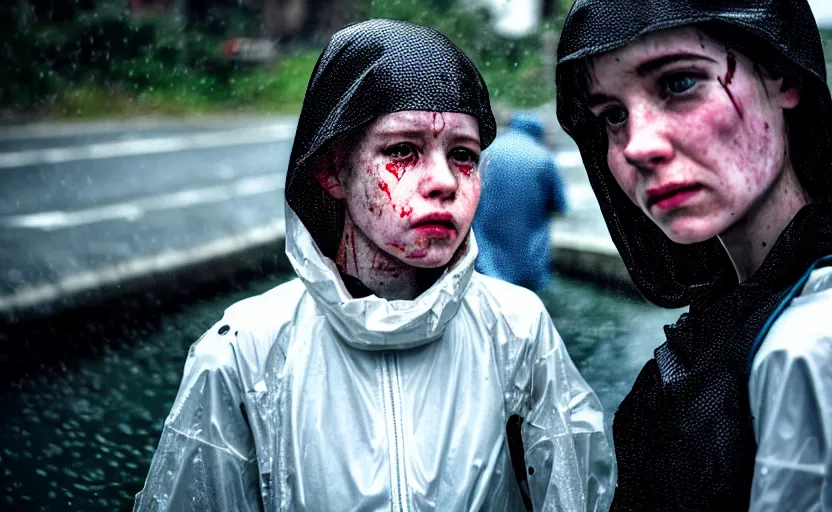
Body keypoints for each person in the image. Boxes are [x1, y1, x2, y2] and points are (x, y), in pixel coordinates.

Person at [134, 19, 615, 511]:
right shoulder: (244, 352)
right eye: (403, 151)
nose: (444, 181)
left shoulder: (517, 331)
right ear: (330, 170)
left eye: (464, 155)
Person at [555, 0, 832, 510]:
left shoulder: (811, 343)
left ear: (784, 79)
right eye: (613, 115)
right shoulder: (733, 317)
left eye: (679, 83)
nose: (637, 145)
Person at [473, 113, 567, 291]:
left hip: (486, 260)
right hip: (528, 263)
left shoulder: (486, 152)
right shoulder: (544, 158)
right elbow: (560, 205)